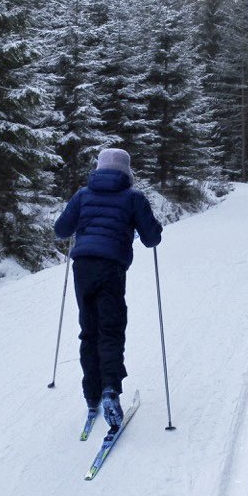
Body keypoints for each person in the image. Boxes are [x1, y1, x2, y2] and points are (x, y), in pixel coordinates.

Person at [54, 148, 162, 432]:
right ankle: (110, 388)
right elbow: (152, 239)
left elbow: (61, 230)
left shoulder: (82, 195)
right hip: (111, 269)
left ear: (100, 169)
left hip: (83, 268)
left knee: (88, 331)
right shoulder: (133, 198)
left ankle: (92, 395)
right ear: (126, 171)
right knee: (110, 330)